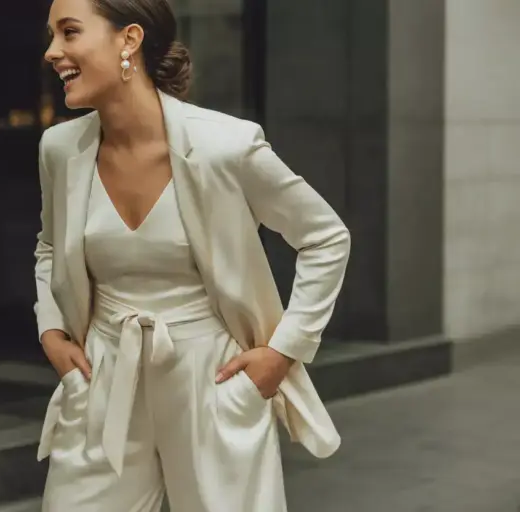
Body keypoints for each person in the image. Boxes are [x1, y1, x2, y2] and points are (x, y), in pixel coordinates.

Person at [34, 0, 351, 510]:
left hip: (213, 381)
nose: (53, 51)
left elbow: (325, 237)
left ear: (128, 40)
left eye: (69, 32)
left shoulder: (226, 146)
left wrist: (283, 351)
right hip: (101, 379)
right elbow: (50, 243)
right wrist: (51, 329)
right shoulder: (59, 148)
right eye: (51, 35)